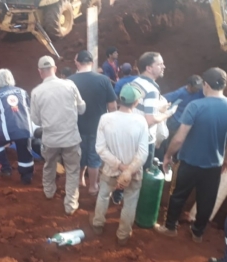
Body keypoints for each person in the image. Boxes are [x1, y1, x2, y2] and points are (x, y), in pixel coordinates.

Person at [155, 67, 227, 244]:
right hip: (214, 165)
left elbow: (179, 138)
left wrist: (168, 156)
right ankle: (197, 233)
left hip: (189, 162)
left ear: (206, 85)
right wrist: (224, 161)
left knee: (178, 194)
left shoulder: (196, 106)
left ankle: (170, 227)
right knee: (207, 200)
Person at [111, 52, 177, 205]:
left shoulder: (135, 83)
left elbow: (141, 109)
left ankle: (119, 191)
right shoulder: (152, 90)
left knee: (126, 166)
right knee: (139, 170)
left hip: (128, 133)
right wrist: (167, 114)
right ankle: (130, 200)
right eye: (159, 64)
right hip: (144, 138)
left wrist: (158, 109)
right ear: (148, 67)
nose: (163, 66)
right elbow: (150, 120)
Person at [90, 83, 148, 245]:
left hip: (110, 170)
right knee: (130, 202)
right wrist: (128, 171)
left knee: (103, 196)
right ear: (136, 103)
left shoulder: (105, 118)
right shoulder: (140, 121)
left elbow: (100, 148)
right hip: (134, 173)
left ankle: (98, 224)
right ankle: (122, 235)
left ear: (119, 100)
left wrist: (120, 167)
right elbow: (143, 153)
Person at [31, 55, 86, 215]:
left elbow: (35, 120)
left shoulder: (36, 92)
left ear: (40, 72)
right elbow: (82, 109)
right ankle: (70, 204)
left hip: (50, 139)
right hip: (71, 138)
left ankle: (49, 192)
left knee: (49, 165)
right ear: (55, 69)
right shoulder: (70, 85)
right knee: (72, 170)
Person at [68, 50, 117, 195]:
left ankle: (80, 180)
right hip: (98, 127)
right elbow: (112, 106)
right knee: (94, 157)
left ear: (77, 63)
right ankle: (93, 186)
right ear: (92, 63)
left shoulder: (69, 81)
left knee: (79, 155)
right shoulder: (103, 80)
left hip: (76, 126)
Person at [0, 68, 34, 184]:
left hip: (6, 131)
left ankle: (5, 168)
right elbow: (30, 110)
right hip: (25, 129)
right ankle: (26, 177)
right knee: (25, 150)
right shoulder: (23, 92)